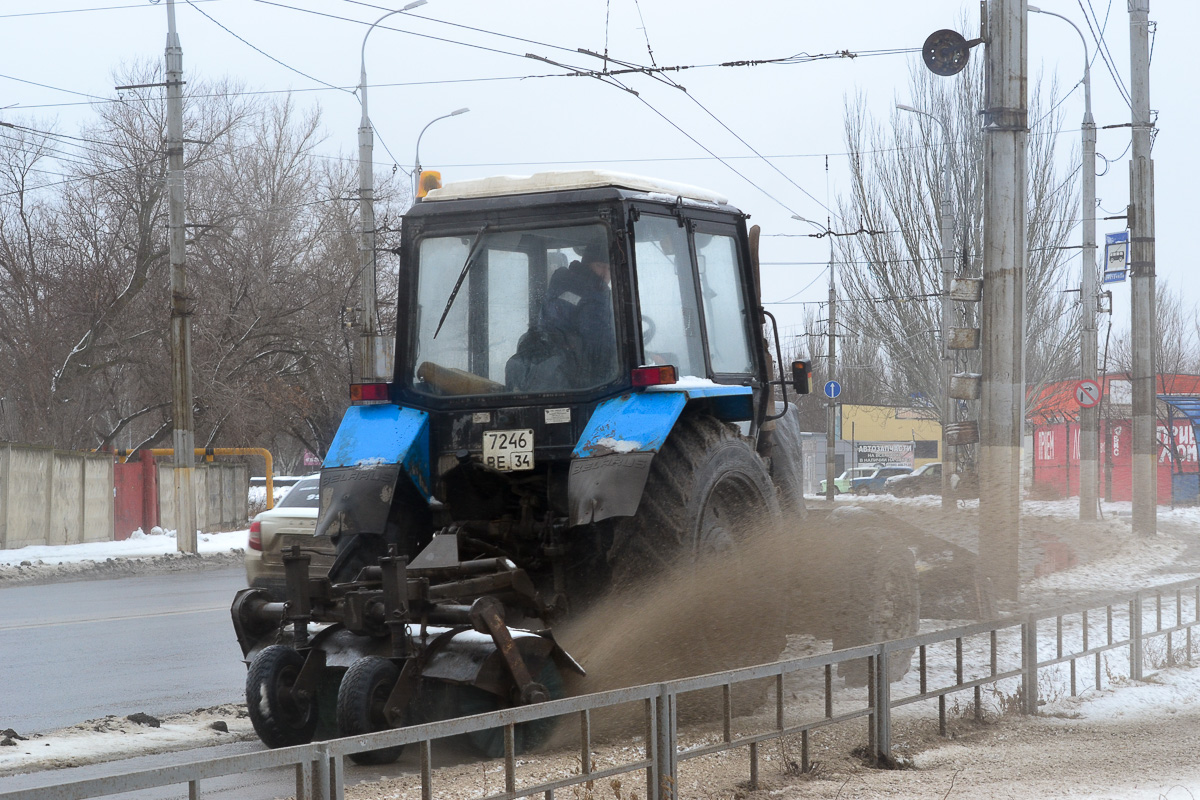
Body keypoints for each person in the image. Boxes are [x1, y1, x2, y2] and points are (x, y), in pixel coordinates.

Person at [506, 242, 618, 391]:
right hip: (579, 376)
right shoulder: (595, 296)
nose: (605, 273)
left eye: (609, 268)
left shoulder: (562, 284)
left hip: (555, 367)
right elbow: (598, 341)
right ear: (587, 264)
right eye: (599, 265)